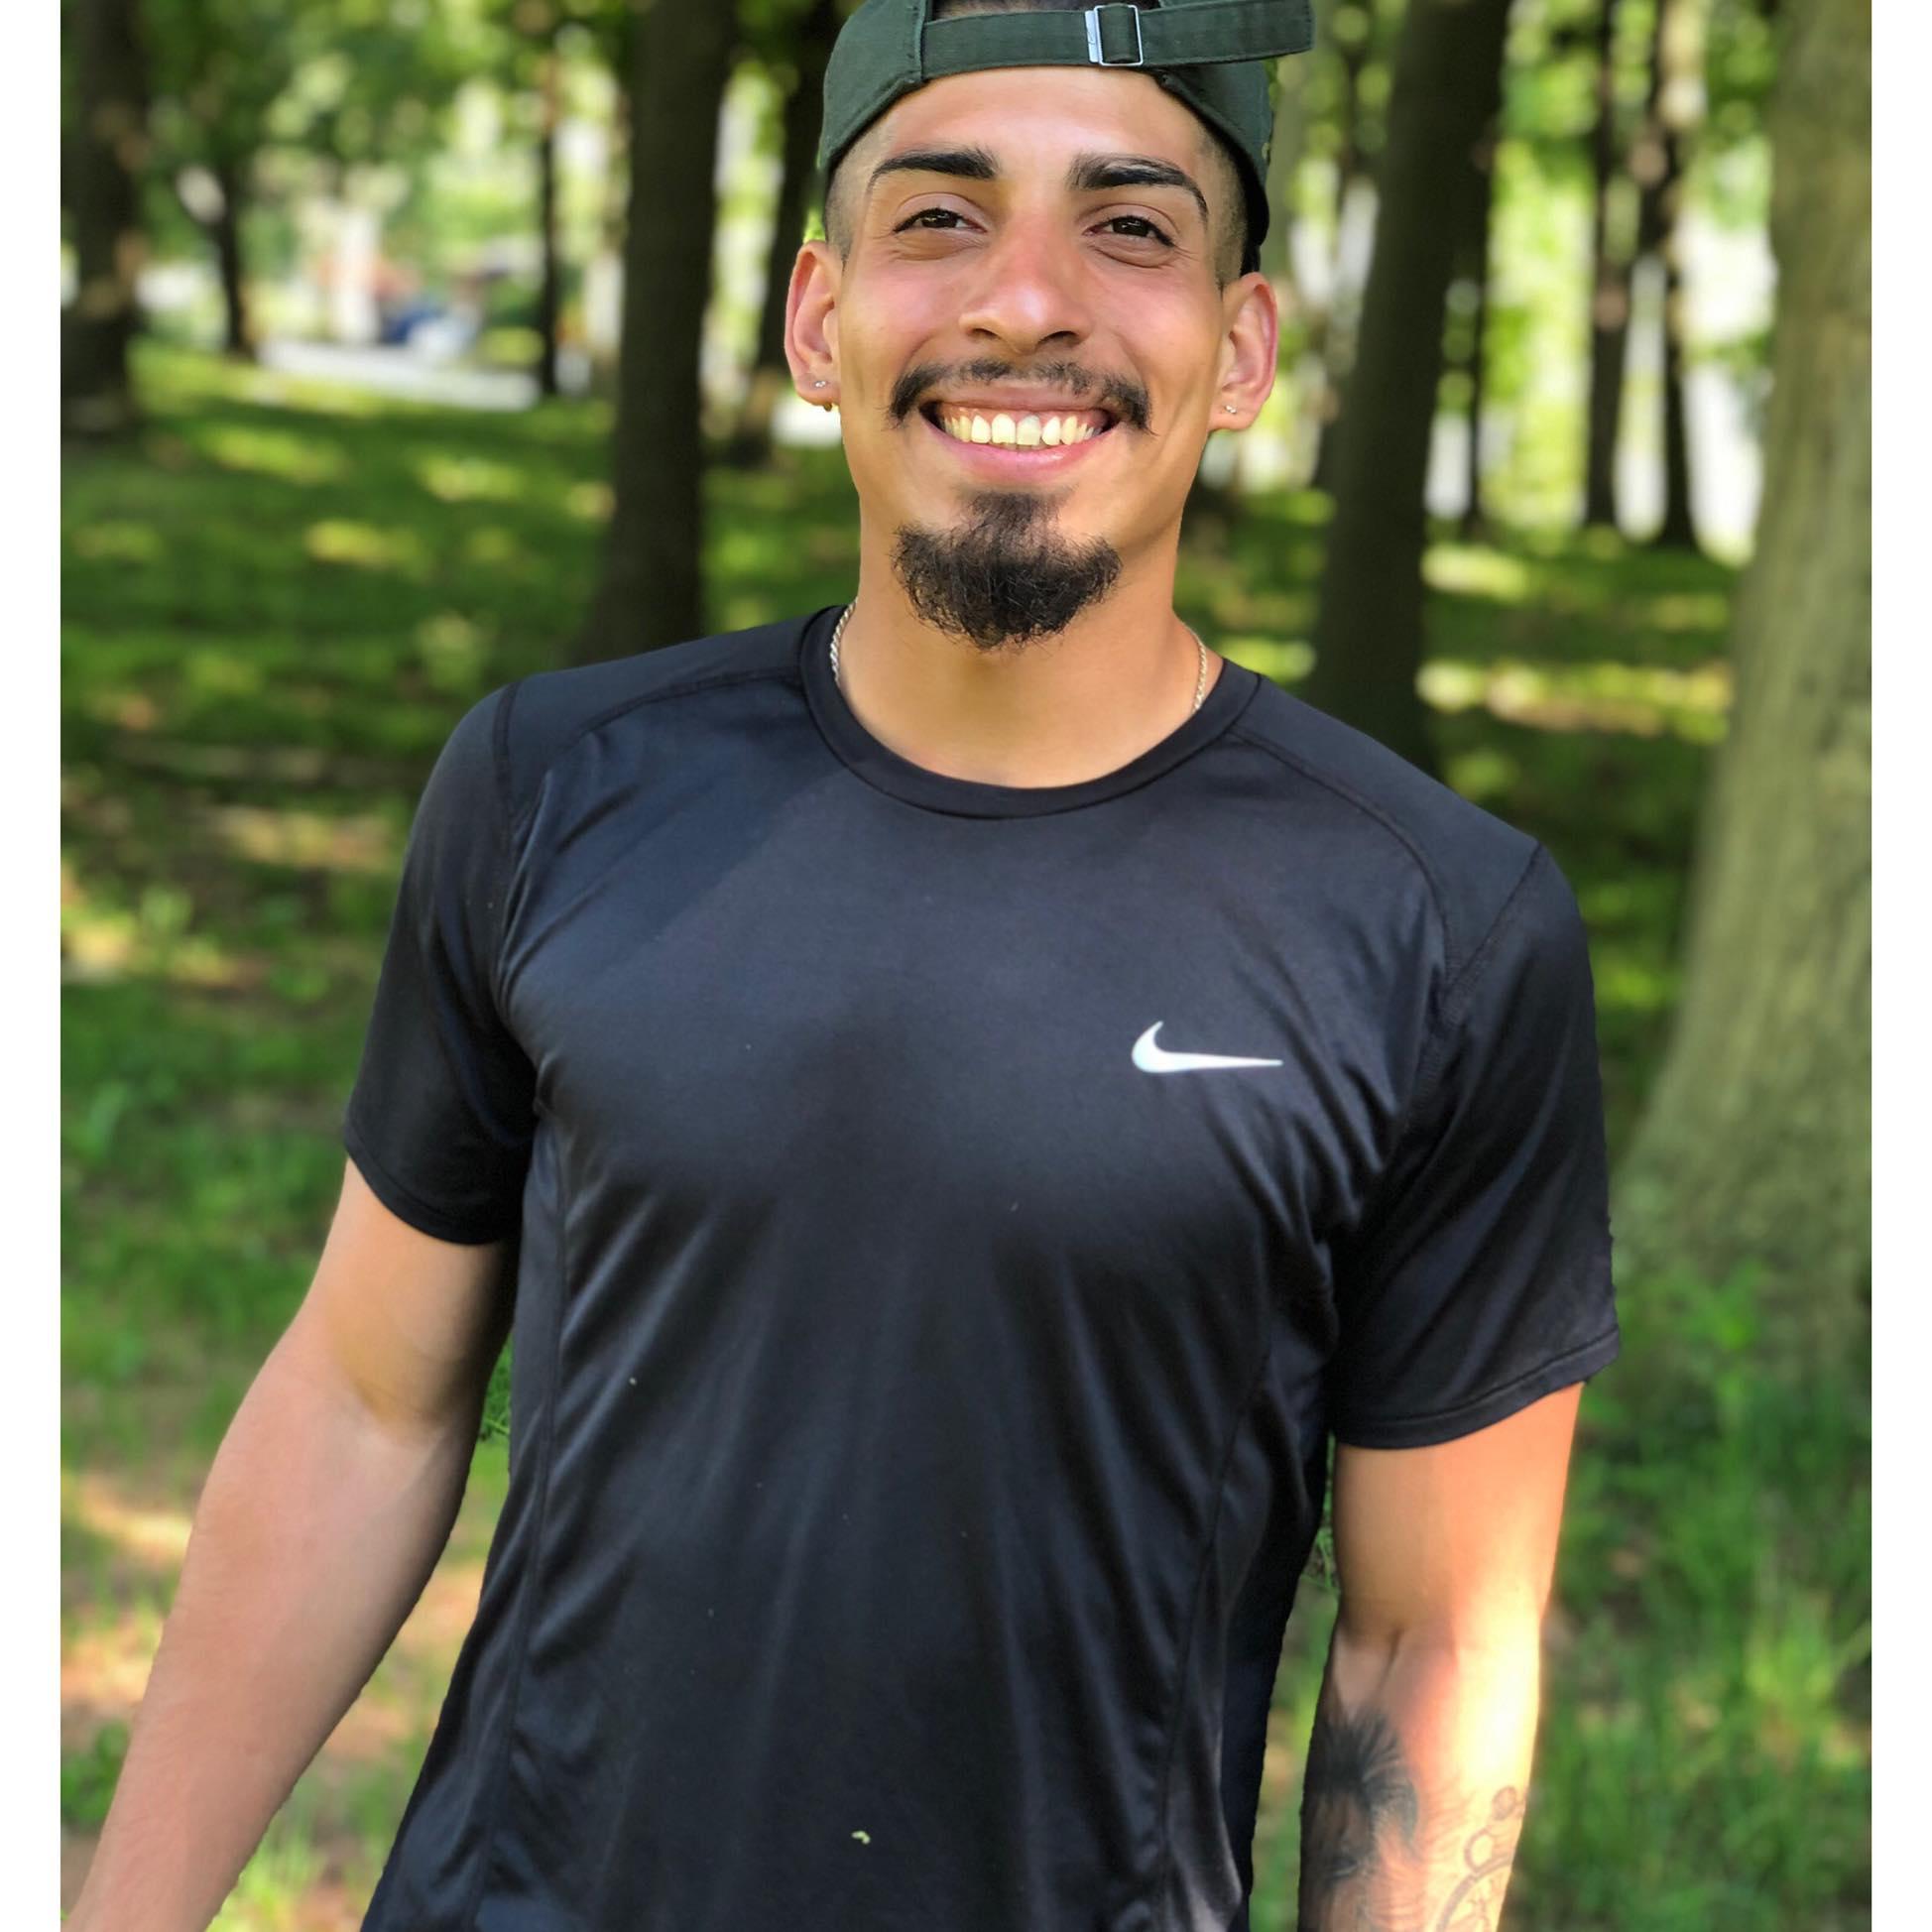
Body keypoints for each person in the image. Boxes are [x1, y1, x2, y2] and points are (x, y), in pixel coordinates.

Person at [69, 2, 1622, 1928]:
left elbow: (1433, 1641)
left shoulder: (1438, 929)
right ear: (819, 319)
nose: (1026, 301)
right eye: (939, 217)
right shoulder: (552, 789)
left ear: (1239, 349)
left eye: (1129, 229)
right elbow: (361, 1404)